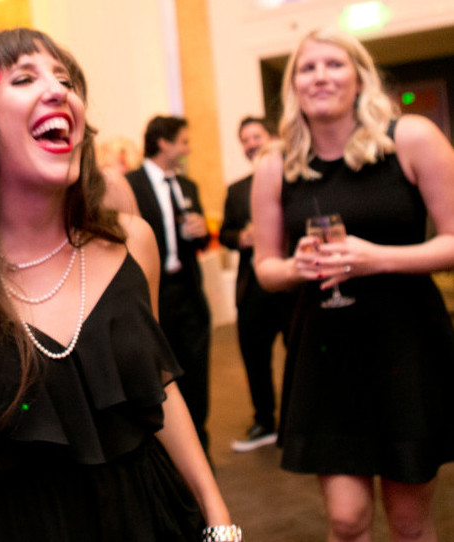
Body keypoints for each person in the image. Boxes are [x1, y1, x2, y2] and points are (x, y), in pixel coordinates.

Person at [0, 28, 240, 542]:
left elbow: (156, 387)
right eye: (25, 78)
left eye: (66, 79)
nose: (59, 90)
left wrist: (217, 515)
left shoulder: (131, 244)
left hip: (150, 516)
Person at [251, 27, 454, 541]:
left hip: (405, 346)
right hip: (326, 353)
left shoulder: (409, 138)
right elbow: (265, 268)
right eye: (307, 68)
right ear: (293, 86)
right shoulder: (276, 166)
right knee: (346, 521)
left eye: (334, 64)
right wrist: (296, 268)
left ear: (360, 78)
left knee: (409, 522)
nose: (320, 76)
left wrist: (378, 258)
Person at [124, 115, 213, 452]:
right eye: (184, 141)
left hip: (188, 293)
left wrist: (202, 233)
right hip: (150, 295)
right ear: (164, 142)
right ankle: (166, 454)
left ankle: (200, 450)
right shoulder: (130, 184)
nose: (188, 148)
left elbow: (199, 243)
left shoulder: (188, 186)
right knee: (157, 376)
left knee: (196, 374)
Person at [219, 117, 292, 452]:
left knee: (300, 355)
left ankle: (298, 420)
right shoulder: (236, 190)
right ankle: (265, 420)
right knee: (255, 357)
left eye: (256, 136)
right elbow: (225, 234)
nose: (250, 143)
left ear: (272, 137)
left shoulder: (294, 177)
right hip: (253, 288)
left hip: (292, 284)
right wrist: (241, 237)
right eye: (244, 139)